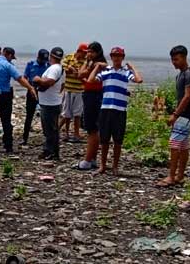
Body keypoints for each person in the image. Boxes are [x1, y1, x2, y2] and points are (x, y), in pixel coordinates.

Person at [88, 46, 143, 175]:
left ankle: (115, 167)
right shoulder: (106, 71)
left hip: (120, 109)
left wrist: (132, 68)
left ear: (122, 57)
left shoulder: (125, 72)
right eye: (114, 55)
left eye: (119, 56)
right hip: (106, 108)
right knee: (105, 139)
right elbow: (90, 80)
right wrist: (97, 67)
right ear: (111, 57)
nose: (116, 58)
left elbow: (139, 80)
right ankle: (102, 166)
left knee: (118, 140)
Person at [157, 46, 190, 187]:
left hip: (186, 115)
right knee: (184, 145)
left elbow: (187, 96)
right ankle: (180, 176)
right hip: (186, 115)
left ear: (184, 57)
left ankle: (171, 176)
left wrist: (175, 115)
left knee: (174, 145)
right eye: (172, 59)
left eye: (176, 59)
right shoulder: (180, 75)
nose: (174, 62)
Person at [0, 47, 37, 153]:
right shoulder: (8, 65)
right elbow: (19, 78)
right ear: (8, 55)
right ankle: (8, 145)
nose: (11, 59)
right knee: (6, 121)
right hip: (4, 94)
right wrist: (30, 88)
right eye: (11, 57)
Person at [77, 42, 106, 170]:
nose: (89, 54)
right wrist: (86, 62)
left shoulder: (98, 64)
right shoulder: (93, 63)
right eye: (88, 52)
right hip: (91, 94)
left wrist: (87, 65)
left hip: (94, 96)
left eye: (91, 52)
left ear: (97, 52)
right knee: (93, 128)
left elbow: (81, 74)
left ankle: (88, 160)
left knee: (92, 129)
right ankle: (92, 159)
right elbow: (81, 75)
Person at [33, 47, 65, 160]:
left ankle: (50, 152)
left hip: (49, 104)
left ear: (51, 56)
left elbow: (50, 81)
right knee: (52, 129)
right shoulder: (60, 68)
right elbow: (62, 86)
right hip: (53, 102)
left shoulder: (54, 68)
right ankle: (52, 151)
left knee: (49, 130)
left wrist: (38, 80)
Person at [22, 49, 50, 145]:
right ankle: (24, 138)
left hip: (44, 92)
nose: (44, 62)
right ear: (38, 57)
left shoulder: (48, 66)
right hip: (31, 91)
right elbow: (24, 78)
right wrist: (29, 87)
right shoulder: (30, 65)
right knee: (29, 116)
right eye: (42, 59)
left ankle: (47, 138)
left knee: (45, 116)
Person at [61, 44, 87, 142]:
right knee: (66, 113)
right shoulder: (68, 57)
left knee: (77, 114)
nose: (84, 55)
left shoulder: (85, 61)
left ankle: (76, 133)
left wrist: (75, 72)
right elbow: (63, 67)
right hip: (68, 89)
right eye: (83, 53)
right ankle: (66, 133)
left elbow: (83, 72)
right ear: (78, 51)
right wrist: (70, 68)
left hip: (79, 90)